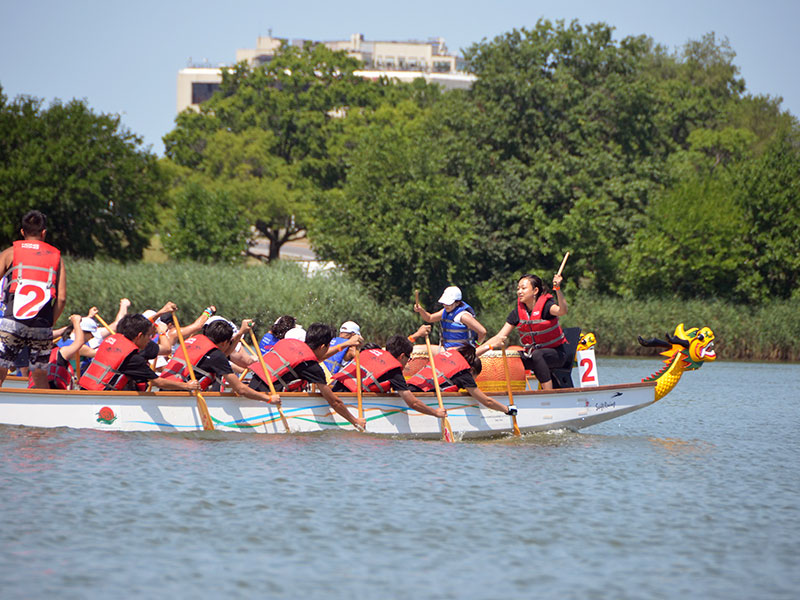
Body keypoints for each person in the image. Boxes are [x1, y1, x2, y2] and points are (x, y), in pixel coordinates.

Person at [248, 322, 366, 430]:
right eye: (328, 346)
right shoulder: (311, 367)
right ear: (322, 346)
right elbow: (334, 402)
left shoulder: (293, 345)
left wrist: (347, 344)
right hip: (264, 401)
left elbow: (318, 357)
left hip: (252, 390)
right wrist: (355, 421)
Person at [0, 210, 67, 388]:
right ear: (44, 232)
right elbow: (61, 298)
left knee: (1, 367)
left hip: (13, 320)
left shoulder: (10, 253)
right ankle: (45, 411)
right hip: (42, 322)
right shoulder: (56, 257)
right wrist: (49, 323)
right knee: (39, 373)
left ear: (22, 232)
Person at [159, 318, 280, 404]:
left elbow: (222, 354)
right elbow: (240, 389)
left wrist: (241, 333)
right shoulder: (216, 356)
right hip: (179, 398)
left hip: (164, 391)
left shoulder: (196, 339)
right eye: (229, 342)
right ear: (223, 342)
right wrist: (268, 399)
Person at [483, 272, 568, 390]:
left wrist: (557, 288)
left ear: (535, 291)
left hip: (556, 355)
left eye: (523, 288)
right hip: (533, 355)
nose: (519, 292)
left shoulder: (546, 306)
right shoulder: (517, 312)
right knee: (511, 357)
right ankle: (512, 393)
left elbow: (562, 311)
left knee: (537, 354)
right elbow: (500, 337)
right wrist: (477, 351)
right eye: (518, 289)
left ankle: (548, 393)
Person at [331, 334, 448, 419]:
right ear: (402, 356)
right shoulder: (394, 370)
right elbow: (413, 403)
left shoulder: (371, 352)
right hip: (346, 403)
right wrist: (436, 413)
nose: (408, 362)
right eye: (408, 358)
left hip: (334, 393)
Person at [79, 314, 200, 392]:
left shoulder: (112, 340)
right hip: (100, 398)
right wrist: (187, 386)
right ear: (139, 336)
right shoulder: (133, 358)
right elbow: (158, 382)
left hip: (83, 390)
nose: (149, 339)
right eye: (148, 336)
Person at [406, 343, 516, 415]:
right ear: (472, 370)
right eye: (475, 378)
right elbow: (487, 401)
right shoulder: (465, 373)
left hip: (407, 391)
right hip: (419, 398)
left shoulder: (446, 356)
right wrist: (507, 410)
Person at [414, 285, 486, 349]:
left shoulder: (464, 316)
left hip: (461, 352)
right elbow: (429, 318)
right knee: (418, 349)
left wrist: (477, 346)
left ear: (457, 303)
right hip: (447, 349)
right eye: (444, 303)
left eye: (448, 304)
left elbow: (482, 332)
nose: (445, 305)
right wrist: (421, 310)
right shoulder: (445, 311)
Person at [27, 313, 85, 389]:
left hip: (34, 391)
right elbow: (80, 342)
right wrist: (76, 323)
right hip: (53, 392)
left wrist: (68, 327)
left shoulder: (31, 349)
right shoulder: (62, 352)